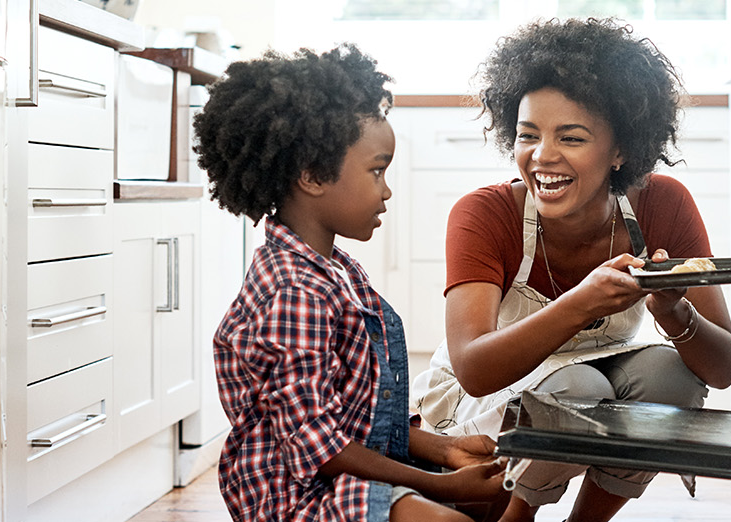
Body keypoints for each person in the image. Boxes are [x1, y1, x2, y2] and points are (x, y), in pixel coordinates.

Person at [409, 18, 731, 522]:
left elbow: (723, 368)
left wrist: (673, 313)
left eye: (572, 137)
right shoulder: (485, 214)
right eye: (527, 135)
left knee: (669, 377)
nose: (542, 156)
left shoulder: (662, 205)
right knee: (577, 390)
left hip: (605, 375)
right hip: (492, 398)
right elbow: (475, 370)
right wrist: (581, 302)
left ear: (621, 150)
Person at [196, 44, 509, 522]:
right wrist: (436, 481)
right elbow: (317, 446)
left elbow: (361, 417)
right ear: (312, 176)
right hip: (296, 497)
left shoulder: (334, 269)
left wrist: (445, 450)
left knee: (490, 491)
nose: (386, 190)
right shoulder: (294, 292)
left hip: (342, 471)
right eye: (376, 171)